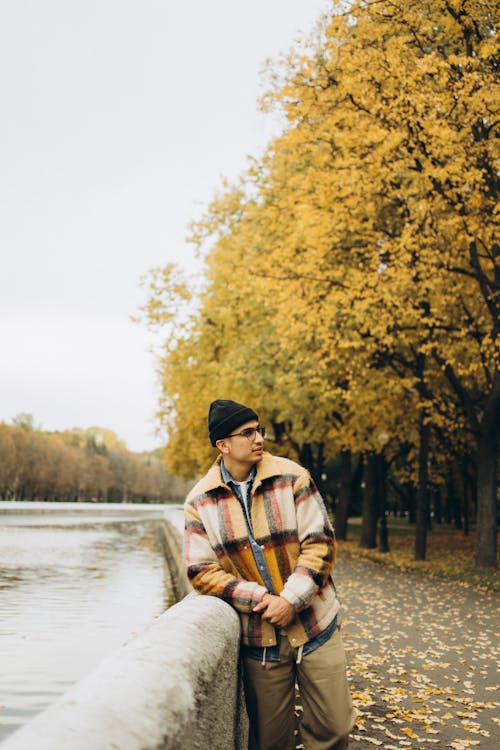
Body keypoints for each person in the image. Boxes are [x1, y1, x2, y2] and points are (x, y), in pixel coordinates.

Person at [183, 399, 358, 749]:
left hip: (315, 623)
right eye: (247, 433)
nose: (258, 438)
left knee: (335, 729)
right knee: (269, 741)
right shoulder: (200, 500)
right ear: (223, 444)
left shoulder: (293, 476)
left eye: (259, 429)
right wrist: (260, 599)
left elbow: (320, 543)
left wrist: (291, 600)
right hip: (260, 635)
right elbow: (200, 571)